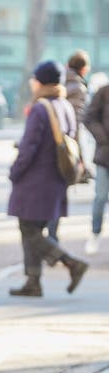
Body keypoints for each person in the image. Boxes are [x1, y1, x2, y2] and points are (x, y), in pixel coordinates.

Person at [8, 60, 88, 297]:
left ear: (40, 82)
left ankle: (71, 263)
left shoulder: (41, 108)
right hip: (56, 180)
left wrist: (15, 172)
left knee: (29, 230)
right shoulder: (64, 105)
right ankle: (33, 281)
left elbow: (29, 148)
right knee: (34, 229)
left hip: (36, 181)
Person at [48, 49, 91, 240]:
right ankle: (51, 240)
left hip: (47, 145)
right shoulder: (79, 89)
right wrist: (80, 159)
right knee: (57, 194)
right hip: (64, 149)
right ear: (84, 69)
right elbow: (75, 128)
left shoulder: (56, 82)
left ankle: (48, 239)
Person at [83, 80, 109, 254]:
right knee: (100, 197)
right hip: (105, 155)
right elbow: (89, 118)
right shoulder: (104, 92)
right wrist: (103, 138)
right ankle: (95, 232)